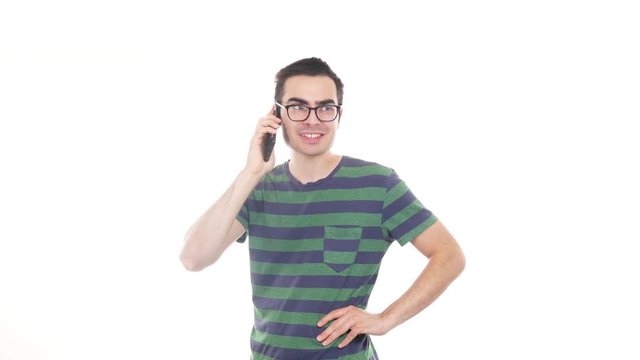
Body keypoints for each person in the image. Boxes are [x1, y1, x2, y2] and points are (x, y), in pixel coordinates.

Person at [180, 57, 465, 359]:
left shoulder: (377, 184)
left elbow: (449, 255)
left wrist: (385, 319)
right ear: (277, 115)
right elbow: (193, 258)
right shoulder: (258, 188)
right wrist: (251, 172)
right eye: (298, 106)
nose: (312, 119)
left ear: (338, 115)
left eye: (325, 108)